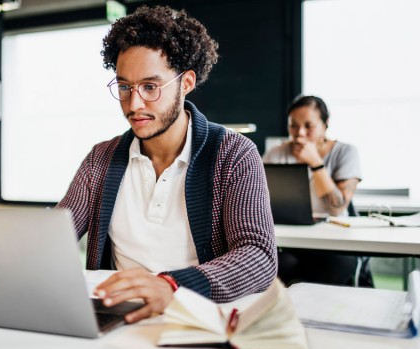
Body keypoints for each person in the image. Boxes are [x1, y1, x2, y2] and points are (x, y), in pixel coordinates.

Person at [56, 5, 277, 324]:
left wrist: (171, 285)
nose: (134, 105)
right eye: (124, 87)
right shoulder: (101, 158)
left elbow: (258, 258)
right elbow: (56, 233)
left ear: (186, 83)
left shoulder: (233, 153)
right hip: (119, 321)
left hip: (197, 321)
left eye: (150, 87)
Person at [263, 95, 365, 286]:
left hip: (335, 243)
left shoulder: (346, 153)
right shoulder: (276, 153)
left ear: (325, 125)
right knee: (274, 267)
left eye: (308, 126)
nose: (299, 133)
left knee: (329, 270)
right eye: (293, 125)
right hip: (290, 239)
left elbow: (336, 207)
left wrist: (316, 164)